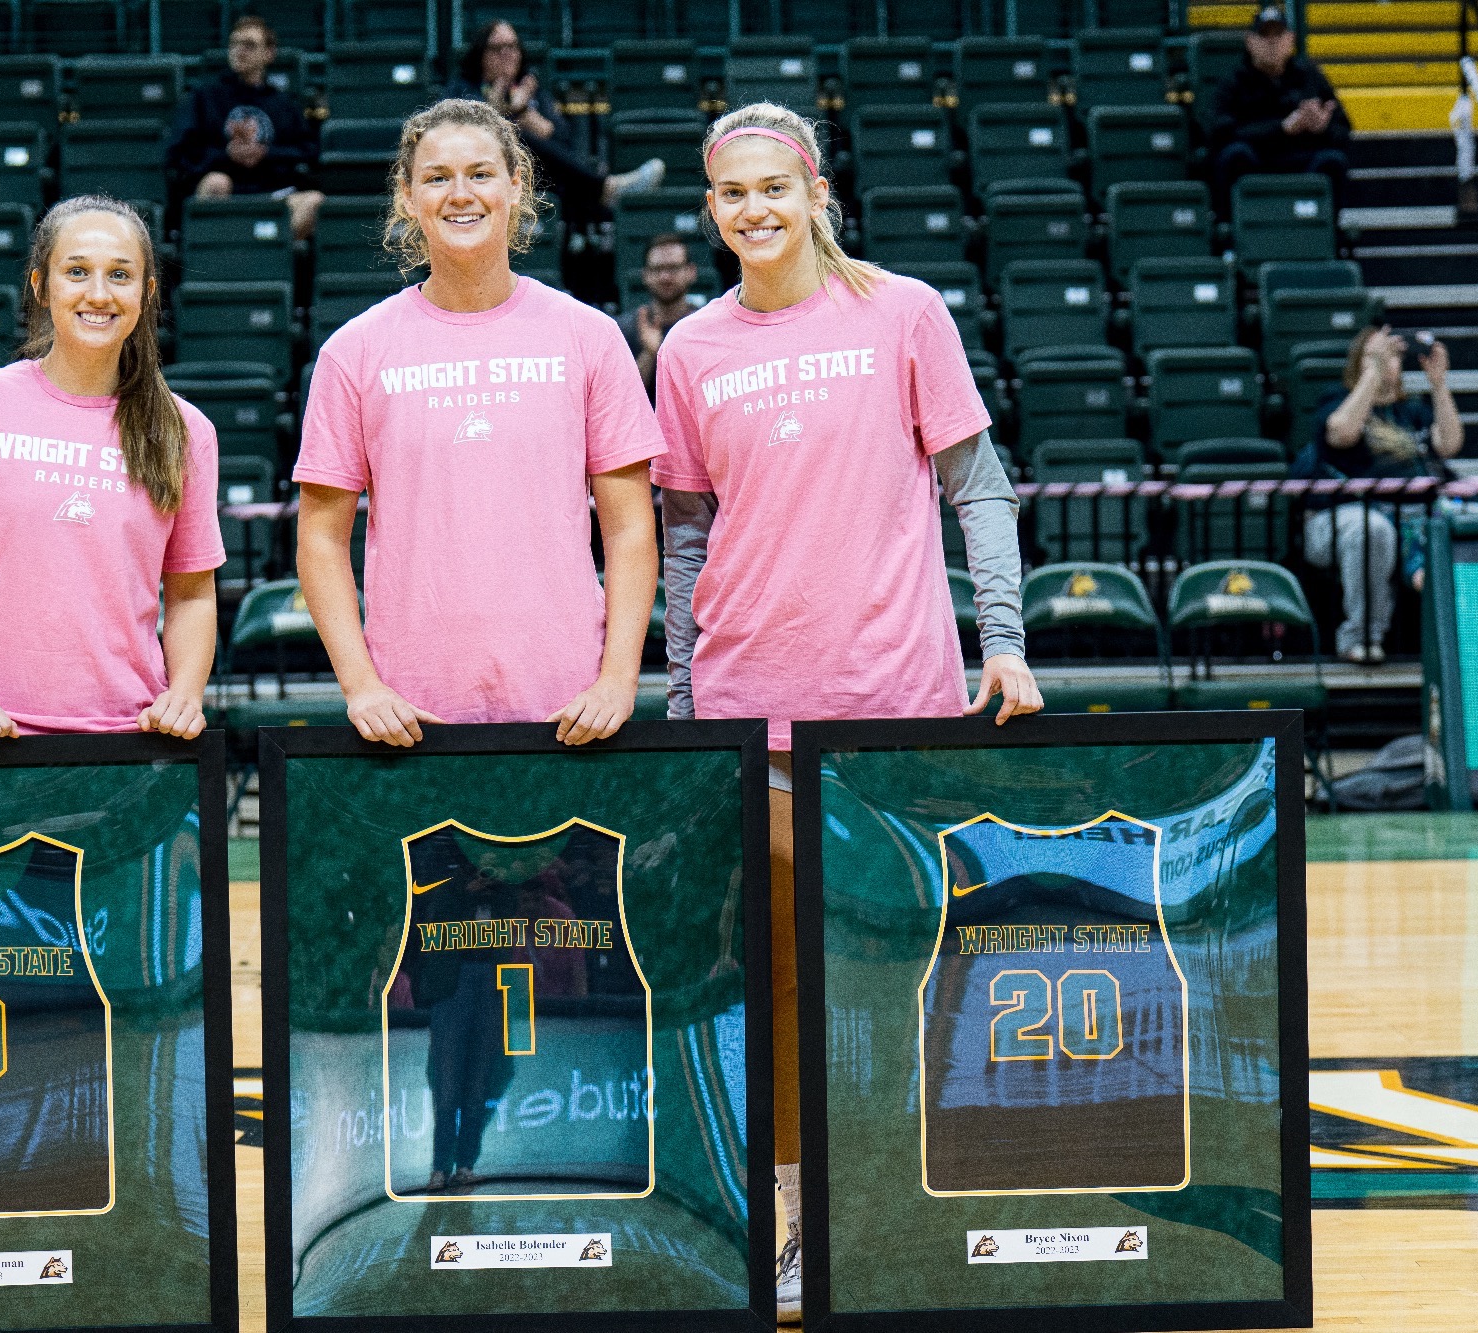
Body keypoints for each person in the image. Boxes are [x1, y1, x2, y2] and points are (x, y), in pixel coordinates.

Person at [649, 103, 1042, 1323]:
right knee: (772, 986)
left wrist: (1006, 642)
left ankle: (899, 1202)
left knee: (898, 981)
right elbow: (679, 541)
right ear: (710, 210)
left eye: (774, 187)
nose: (753, 211)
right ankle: (784, 1214)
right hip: (751, 713)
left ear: (816, 188)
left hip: (892, 719)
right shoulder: (690, 348)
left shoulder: (902, 312)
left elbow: (977, 488)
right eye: (729, 195)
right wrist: (679, 698)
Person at [292, 97, 663, 748]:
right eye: (436, 177)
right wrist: (361, 686)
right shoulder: (354, 353)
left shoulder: (589, 338)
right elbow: (321, 538)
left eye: (480, 173)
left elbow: (631, 527)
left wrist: (618, 679)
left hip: (570, 709)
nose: (459, 194)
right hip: (412, 716)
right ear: (408, 197)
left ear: (516, 186)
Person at [0, 195, 224, 747]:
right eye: (77, 272)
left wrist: (185, 696)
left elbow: (192, 593)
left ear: (146, 294)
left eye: (120, 275)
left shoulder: (185, 431)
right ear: (41, 286)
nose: (99, 294)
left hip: (132, 741)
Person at [1307, 325, 1463, 662]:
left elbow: (1449, 445)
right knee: (1372, 530)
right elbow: (1341, 433)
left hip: (1416, 516)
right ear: (1357, 363)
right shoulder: (1335, 400)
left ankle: (1474, 631)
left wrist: (1439, 384)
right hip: (1342, 516)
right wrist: (1372, 375)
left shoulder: (1413, 411)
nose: (1384, 362)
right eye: (1374, 355)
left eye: (1391, 356)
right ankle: (1360, 637)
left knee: (1476, 522)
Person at [444, 20, 665, 224]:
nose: (507, 54)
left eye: (512, 47)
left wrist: (522, 111)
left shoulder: (532, 91)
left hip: (541, 178)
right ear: (480, 54)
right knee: (514, 137)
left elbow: (562, 137)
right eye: (497, 48)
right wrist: (507, 110)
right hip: (485, 178)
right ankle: (604, 189)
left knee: (568, 188)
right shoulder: (464, 89)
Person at [167, 14, 324, 239]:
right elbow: (180, 153)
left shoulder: (284, 104)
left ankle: (272, 259)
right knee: (217, 183)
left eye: (249, 45)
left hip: (272, 194)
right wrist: (226, 154)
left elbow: (308, 150)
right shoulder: (204, 97)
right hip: (224, 193)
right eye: (235, 44)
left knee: (314, 201)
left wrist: (265, 153)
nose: (239, 50)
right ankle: (220, 256)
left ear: (269, 53)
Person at [1212, 6, 1352, 212]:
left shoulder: (1310, 76)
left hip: (1301, 161)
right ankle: (1232, 235)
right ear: (1250, 42)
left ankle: (1328, 234)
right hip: (1257, 161)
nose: (1272, 41)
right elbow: (1218, 132)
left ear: (1291, 39)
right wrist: (1281, 129)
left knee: (1333, 160)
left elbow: (1344, 130)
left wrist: (1323, 128)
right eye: (1264, 34)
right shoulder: (1233, 81)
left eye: (1278, 34)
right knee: (1234, 156)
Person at [619, 233, 703, 399]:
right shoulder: (623, 330)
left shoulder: (705, 327)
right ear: (645, 275)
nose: (665, 277)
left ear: (691, 272)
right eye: (657, 269)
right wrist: (649, 354)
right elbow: (622, 400)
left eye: (673, 268)